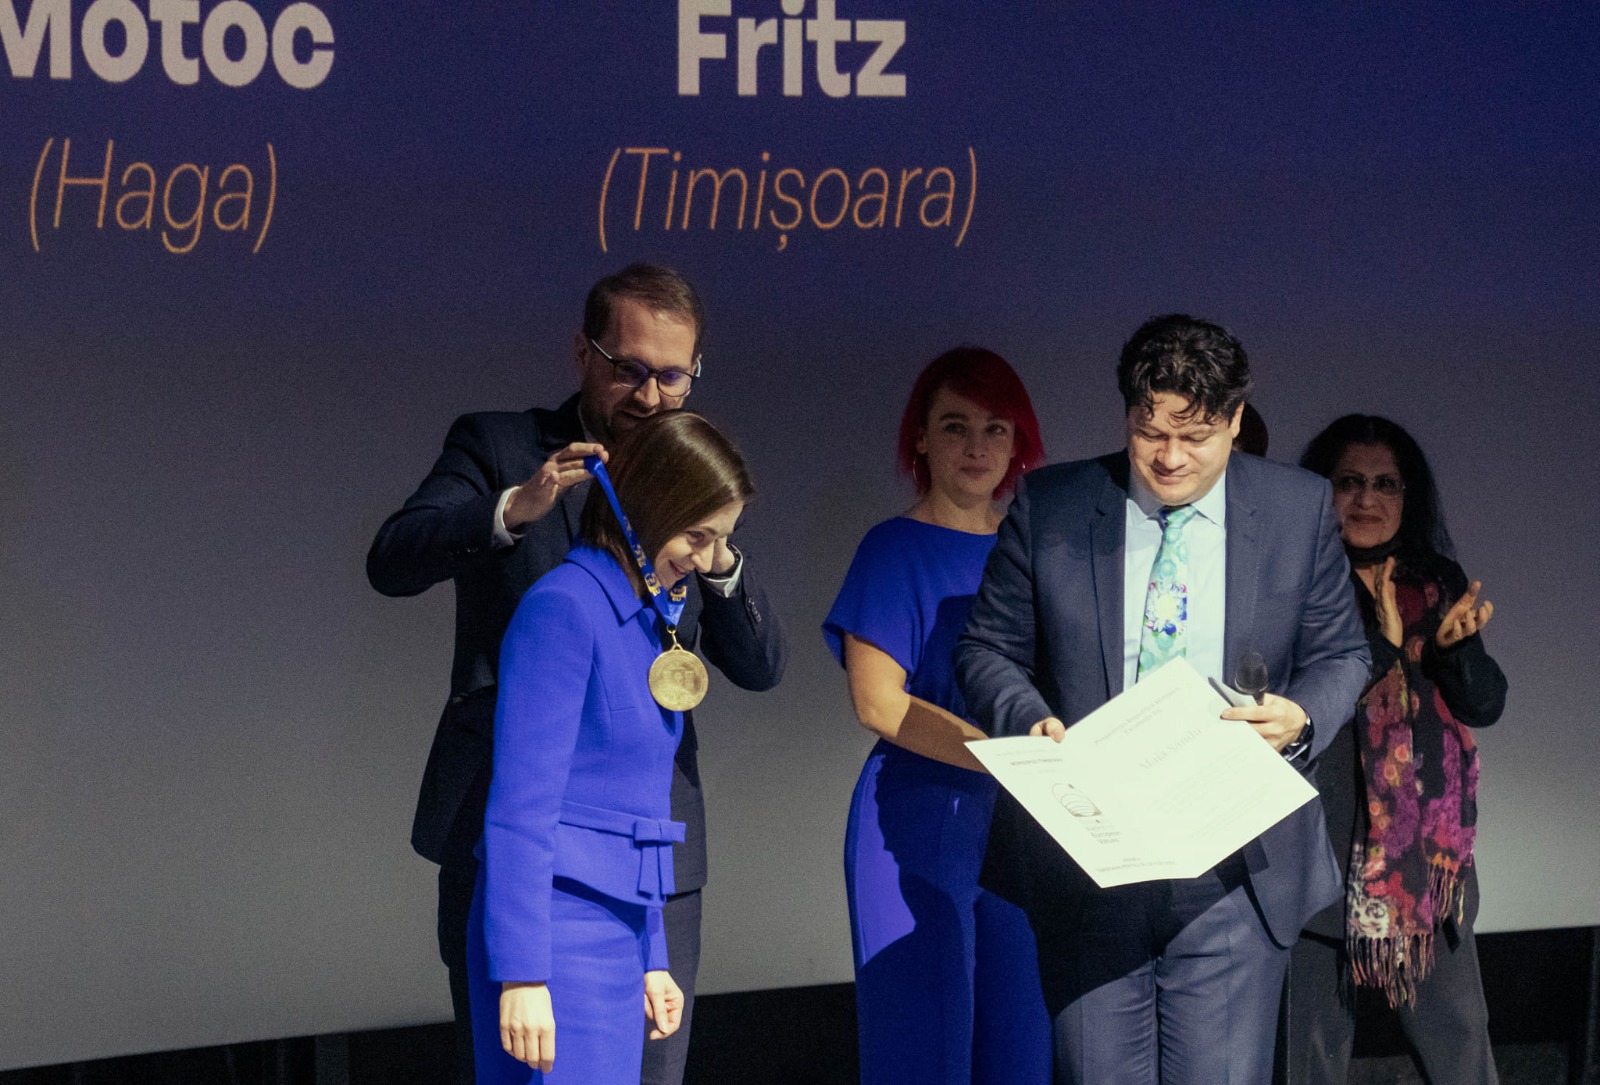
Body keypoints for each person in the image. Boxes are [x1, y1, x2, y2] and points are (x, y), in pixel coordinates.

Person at [366, 265, 786, 1085]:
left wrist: (715, 549)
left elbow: (760, 664)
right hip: (519, 843)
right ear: (584, 352)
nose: (652, 395)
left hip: (647, 852)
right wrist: (511, 510)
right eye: (630, 368)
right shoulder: (503, 449)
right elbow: (392, 559)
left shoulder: (694, 484)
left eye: (674, 375)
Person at [955, 313, 1371, 1085]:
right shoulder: (1054, 504)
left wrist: (1302, 714)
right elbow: (984, 648)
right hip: (1091, 860)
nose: (1170, 457)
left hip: (1234, 865)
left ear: (1236, 420)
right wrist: (1030, 720)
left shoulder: (1297, 507)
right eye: (1150, 432)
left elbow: (1344, 653)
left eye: (1195, 436)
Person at [822, 347, 1052, 1085]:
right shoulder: (894, 548)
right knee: (923, 1056)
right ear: (920, 438)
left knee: (1021, 1056)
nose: (976, 446)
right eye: (955, 426)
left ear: (1017, 442)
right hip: (916, 819)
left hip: (1023, 826)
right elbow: (877, 702)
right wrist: (1003, 755)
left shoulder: (1036, 550)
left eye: (995, 428)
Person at [1280, 415, 1506, 1085]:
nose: (1367, 498)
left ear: (1409, 496)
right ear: (1321, 490)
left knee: (1462, 1047)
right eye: (1349, 481)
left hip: (1424, 864)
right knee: (1309, 1060)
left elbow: (1486, 705)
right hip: (1318, 856)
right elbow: (1299, 713)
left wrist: (1455, 653)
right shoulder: (1295, 586)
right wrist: (1379, 646)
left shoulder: (1435, 583)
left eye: (1385, 484)